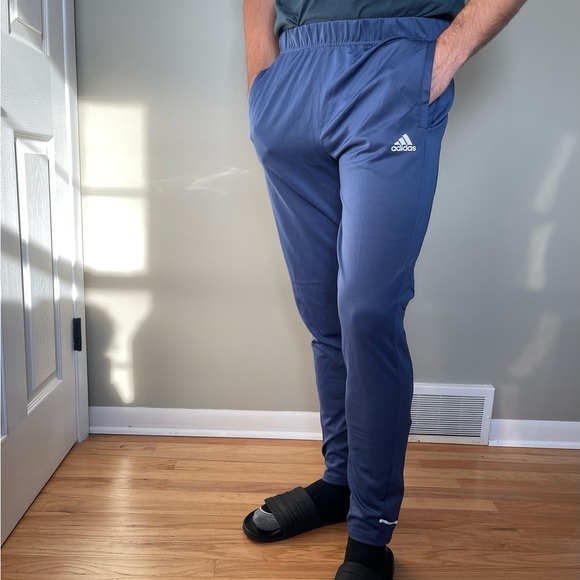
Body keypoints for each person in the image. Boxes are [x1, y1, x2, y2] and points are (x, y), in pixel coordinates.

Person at [242, 1, 527, 578]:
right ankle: (340, 483)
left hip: (392, 65)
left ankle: (371, 531)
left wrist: (441, 57)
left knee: (367, 312)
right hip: (292, 76)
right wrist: (261, 78)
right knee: (324, 313)